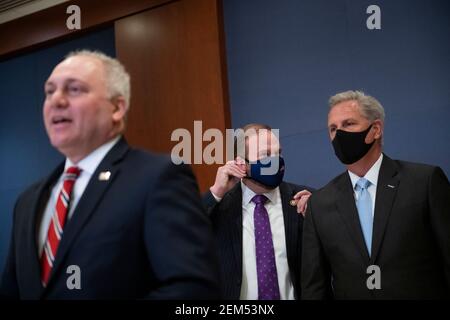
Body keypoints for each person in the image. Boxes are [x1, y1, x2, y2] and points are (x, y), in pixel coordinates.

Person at [0, 50, 220, 299]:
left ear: (117, 107)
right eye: (50, 91)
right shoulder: (27, 201)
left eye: (74, 89)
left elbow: (194, 290)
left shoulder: (158, 178)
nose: (56, 100)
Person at [301, 90, 450, 299]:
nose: (339, 134)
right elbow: (314, 286)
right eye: (333, 129)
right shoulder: (320, 204)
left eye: (349, 124)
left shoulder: (424, 182)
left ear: (376, 129)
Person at [203, 123, 313, 300]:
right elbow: (180, 235)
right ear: (240, 164)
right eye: (266, 155)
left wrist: (317, 218)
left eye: (279, 153)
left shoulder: (304, 200)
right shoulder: (220, 207)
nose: (276, 160)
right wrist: (216, 192)